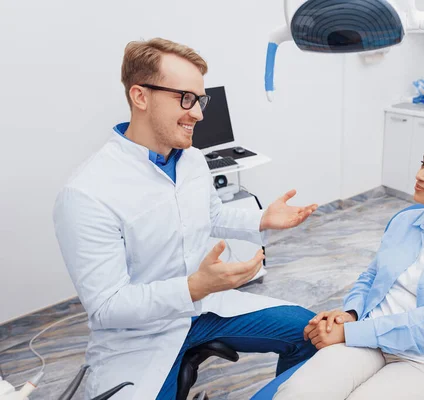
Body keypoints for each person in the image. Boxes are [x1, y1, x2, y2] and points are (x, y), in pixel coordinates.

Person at [53, 38, 318, 400]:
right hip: (138, 337)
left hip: (205, 309)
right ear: (140, 96)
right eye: (186, 98)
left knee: (314, 333)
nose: (199, 113)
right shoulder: (86, 193)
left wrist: (261, 219)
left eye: (200, 99)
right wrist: (194, 286)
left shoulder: (191, 159)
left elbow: (210, 215)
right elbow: (107, 308)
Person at [274, 131, 424, 400]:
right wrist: (351, 314)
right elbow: (371, 277)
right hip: (367, 338)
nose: (420, 175)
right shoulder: (405, 222)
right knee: (297, 393)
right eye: (423, 164)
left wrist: (352, 332)